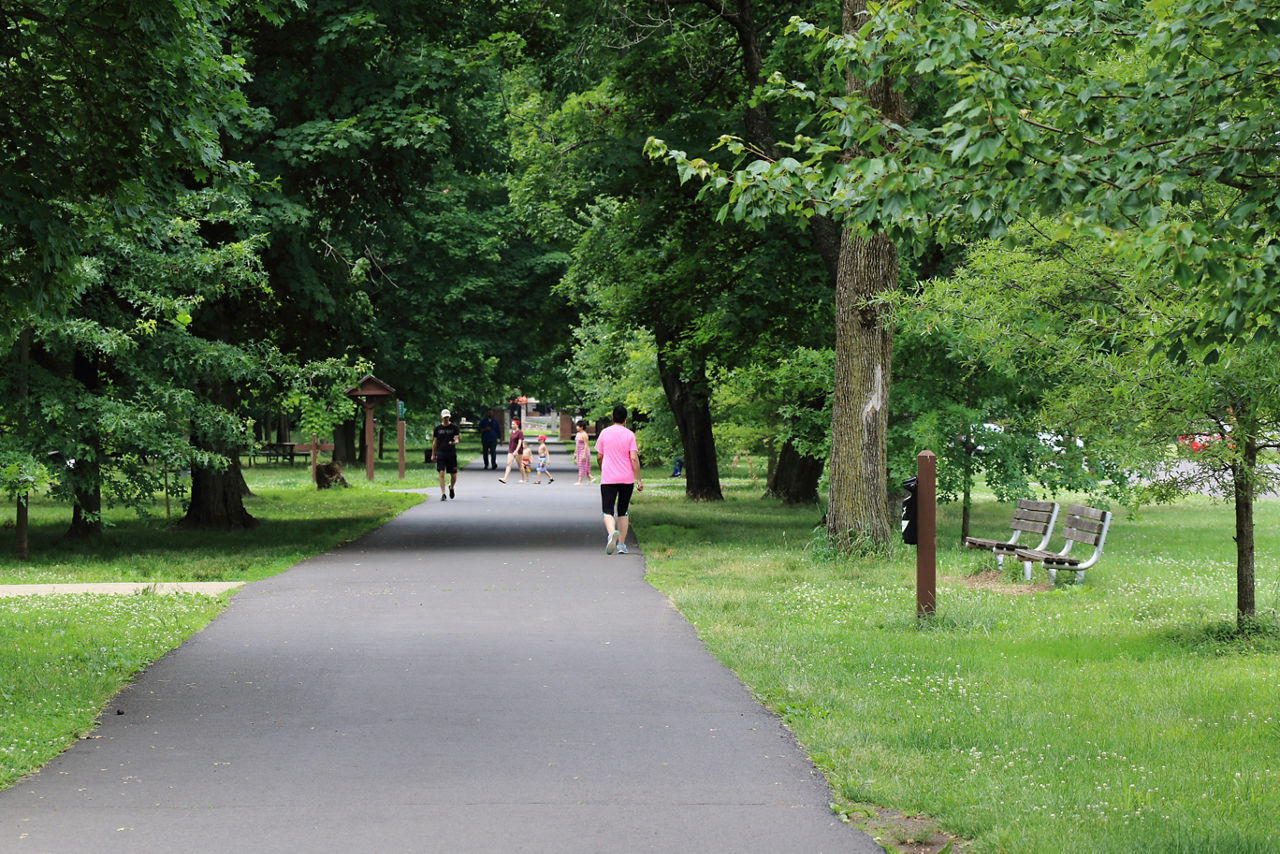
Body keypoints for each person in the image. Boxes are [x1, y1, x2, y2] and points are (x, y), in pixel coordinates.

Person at [595, 404, 642, 554]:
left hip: (609, 478)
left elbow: (599, 456)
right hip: (626, 479)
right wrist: (639, 480)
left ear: (612, 417)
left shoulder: (604, 433)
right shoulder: (630, 435)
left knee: (607, 511)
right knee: (623, 511)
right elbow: (633, 458)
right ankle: (621, 544)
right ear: (626, 419)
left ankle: (611, 533)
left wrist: (602, 467)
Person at [432, 409, 461, 500]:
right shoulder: (437, 429)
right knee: (441, 473)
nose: (446, 419)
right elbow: (435, 442)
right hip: (440, 453)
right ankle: (443, 494)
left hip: (451, 454)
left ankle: (451, 487)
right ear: (441, 417)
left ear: (449, 417)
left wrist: (454, 442)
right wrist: (433, 454)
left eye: (447, 417)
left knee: (453, 475)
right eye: (444, 417)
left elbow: (456, 439)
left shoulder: (454, 427)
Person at [499, 418, 525, 483]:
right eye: (511, 424)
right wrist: (511, 449)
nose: (512, 425)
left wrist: (516, 450)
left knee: (520, 465)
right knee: (508, 464)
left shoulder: (520, 432)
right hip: (511, 450)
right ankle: (505, 478)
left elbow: (520, 442)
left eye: (513, 424)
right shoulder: (511, 432)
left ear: (517, 425)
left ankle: (523, 479)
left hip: (518, 451)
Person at [574, 419, 592, 485]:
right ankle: (590, 477)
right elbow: (576, 444)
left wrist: (584, 454)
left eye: (578, 426)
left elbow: (586, 445)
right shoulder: (578, 434)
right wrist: (575, 452)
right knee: (581, 465)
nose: (576, 427)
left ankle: (580, 481)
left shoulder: (584, 434)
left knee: (582, 465)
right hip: (579, 451)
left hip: (584, 451)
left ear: (581, 427)